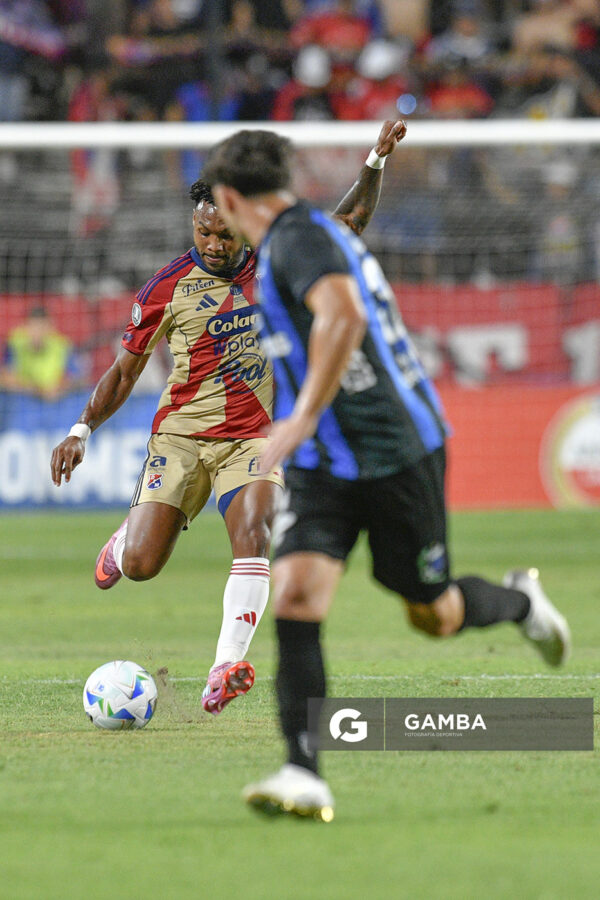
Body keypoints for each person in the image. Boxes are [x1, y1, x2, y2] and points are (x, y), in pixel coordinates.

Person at [201, 128, 572, 819]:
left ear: (227, 198)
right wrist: (374, 162)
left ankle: (520, 602)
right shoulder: (304, 232)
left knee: (432, 612)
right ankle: (302, 771)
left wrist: (303, 413)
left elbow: (341, 313)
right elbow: (352, 227)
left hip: (394, 449)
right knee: (298, 595)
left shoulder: (297, 241)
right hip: (324, 464)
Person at [50, 119, 407, 717]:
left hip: (253, 438)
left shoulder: (276, 261)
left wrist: (374, 159)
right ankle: (125, 538)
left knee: (256, 531)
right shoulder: (166, 287)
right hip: (182, 439)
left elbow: (347, 225)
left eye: (223, 234)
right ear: (194, 224)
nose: (213, 244)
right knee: (141, 565)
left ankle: (225, 665)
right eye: (203, 232)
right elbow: (124, 372)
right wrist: (80, 429)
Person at [1, 306, 83, 400]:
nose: (37, 333)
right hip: (23, 398)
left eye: (42, 327)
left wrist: (60, 387)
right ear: (25, 327)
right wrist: (35, 389)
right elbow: (5, 377)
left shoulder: (62, 345)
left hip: (55, 401)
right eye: (33, 327)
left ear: (50, 327)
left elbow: (76, 378)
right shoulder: (15, 342)